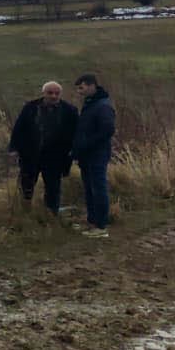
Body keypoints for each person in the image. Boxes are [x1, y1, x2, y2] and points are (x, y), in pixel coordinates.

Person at [7, 81, 77, 214]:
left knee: (53, 188)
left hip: (55, 157)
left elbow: (75, 134)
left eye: (57, 93)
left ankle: (51, 215)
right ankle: (23, 213)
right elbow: (19, 129)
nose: (53, 96)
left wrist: (73, 152)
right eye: (50, 93)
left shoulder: (70, 111)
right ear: (43, 93)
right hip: (30, 155)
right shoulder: (30, 108)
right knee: (26, 186)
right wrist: (13, 149)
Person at [72, 73, 116, 238]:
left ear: (92, 85)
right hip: (86, 155)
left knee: (98, 189)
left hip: (97, 154)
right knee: (89, 189)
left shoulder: (103, 106)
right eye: (78, 88)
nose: (79, 92)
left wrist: (87, 143)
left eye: (81, 87)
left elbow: (107, 130)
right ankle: (92, 221)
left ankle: (101, 226)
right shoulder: (90, 103)